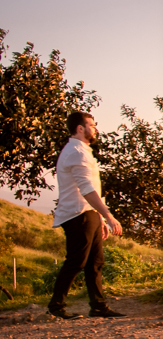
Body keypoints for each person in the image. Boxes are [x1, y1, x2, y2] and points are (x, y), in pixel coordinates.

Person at [48, 111, 125, 319]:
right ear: (80, 128)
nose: (96, 129)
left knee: (95, 261)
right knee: (76, 261)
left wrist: (98, 217)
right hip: (77, 214)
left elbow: (90, 189)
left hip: (87, 213)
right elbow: (86, 189)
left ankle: (98, 306)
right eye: (92, 125)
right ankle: (56, 306)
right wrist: (108, 215)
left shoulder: (82, 150)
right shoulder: (76, 152)